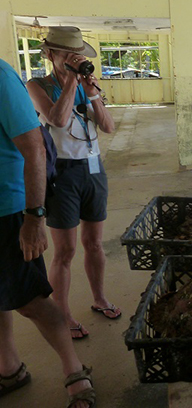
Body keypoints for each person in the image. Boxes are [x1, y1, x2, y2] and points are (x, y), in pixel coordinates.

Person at [0, 58, 96, 407]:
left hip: (9, 208)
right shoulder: (34, 82)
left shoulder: (2, 76)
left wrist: (33, 217)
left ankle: (75, 374)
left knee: (31, 301)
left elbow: (38, 143)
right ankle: (9, 368)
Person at [26, 27, 119, 340]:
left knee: (94, 243)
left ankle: (100, 298)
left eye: (76, 55)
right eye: (66, 55)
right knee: (64, 251)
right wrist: (69, 82)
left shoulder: (84, 84)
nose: (72, 60)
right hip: (62, 174)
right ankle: (62, 314)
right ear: (51, 54)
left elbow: (108, 127)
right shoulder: (37, 85)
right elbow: (57, 119)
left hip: (93, 170)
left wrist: (91, 91)